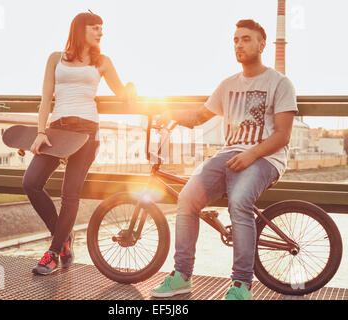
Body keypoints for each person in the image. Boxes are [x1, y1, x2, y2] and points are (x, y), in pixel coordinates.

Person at [150, 19, 298, 300]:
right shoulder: (227, 84)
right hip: (228, 155)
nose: (239, 44)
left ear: (262, 44)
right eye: (236, 40)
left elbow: (283, 135)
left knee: (239, 202)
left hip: (266, 158)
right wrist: (169, 112)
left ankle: (241, 285)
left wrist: (251, 154)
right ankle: (181, 276)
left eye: (246, 39)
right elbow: (197, 117)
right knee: (187, 199)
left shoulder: (280, 83)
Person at [23, 12, 136, 275]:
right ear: (80, 29)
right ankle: (63, 237)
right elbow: (46, 98)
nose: (100, 33)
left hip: (86, 131)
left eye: (102, 29)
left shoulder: (103, 62)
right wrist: (41, 131)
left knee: (69, 194)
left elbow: (123, 95)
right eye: (95, 28)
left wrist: (131, 88)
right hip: (58, 130)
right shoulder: (55, 58)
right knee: (31, 182)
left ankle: (52, 253)